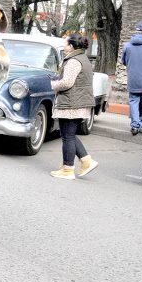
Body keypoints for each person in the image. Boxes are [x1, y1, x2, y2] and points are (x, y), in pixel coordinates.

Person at [49, 33, 99, 179]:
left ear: (71, 46)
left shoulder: (74, 61)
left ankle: (68, 169)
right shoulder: (82, 58)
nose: (64, 46)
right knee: (68, 135)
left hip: (72, 103)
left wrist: (53, 84)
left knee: (67, 137)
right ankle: (86, 161)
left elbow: (67, 83)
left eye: (66, 43)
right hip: (77, 102)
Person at [121, 21, 142, 135]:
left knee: (133, 101)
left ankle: (135, 126)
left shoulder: (127, 45)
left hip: (132, 80)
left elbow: (124, 61)